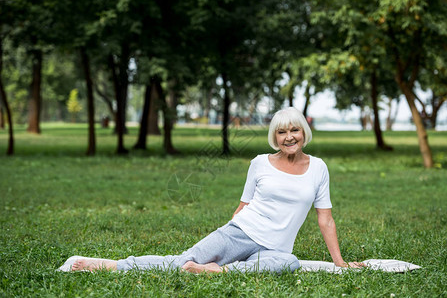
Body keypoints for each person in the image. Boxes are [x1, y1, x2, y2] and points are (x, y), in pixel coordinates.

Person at [70, 107, 364, 273]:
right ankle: (110, 265)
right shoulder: (259, 163)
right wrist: (224, 236)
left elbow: (324, 218)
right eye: (282, 132)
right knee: (181, 262)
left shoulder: (318, 168)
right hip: (240, 233)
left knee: (289, 263)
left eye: (294, 130)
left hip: (275, 249)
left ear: (304, 132)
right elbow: (243, 207)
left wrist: (339, 263)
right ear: (275, 136)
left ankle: (218, 272)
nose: (289, 137)